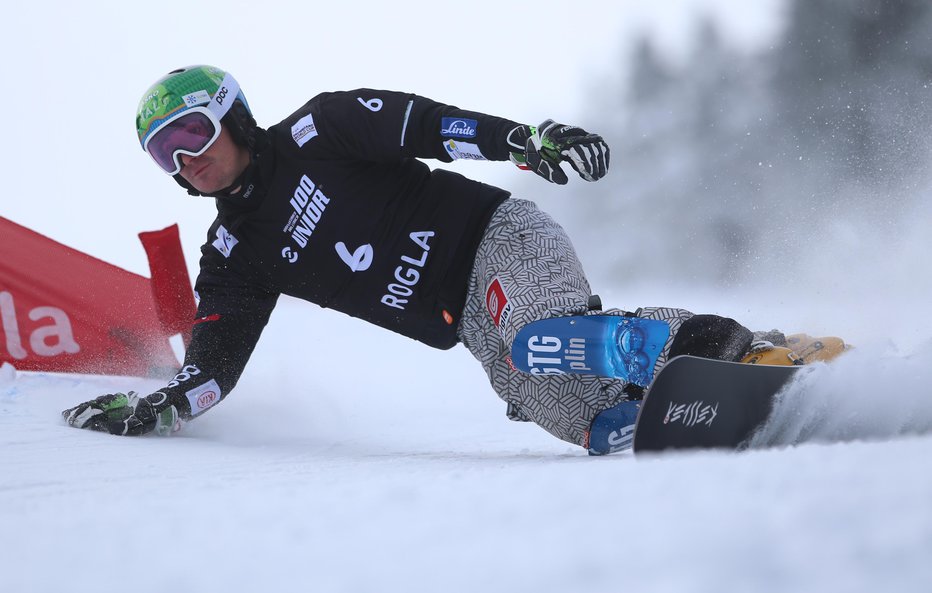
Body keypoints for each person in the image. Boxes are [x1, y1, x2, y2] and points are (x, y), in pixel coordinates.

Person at [62, 65, 845, 454]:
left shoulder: (321, 130)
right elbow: (215, 362)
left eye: (190, 133)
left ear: (231, 114)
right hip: (468, 327)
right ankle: (724, 416)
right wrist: (167, 405)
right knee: (588, 419)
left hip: (500, 239)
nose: (183, 160)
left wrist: (522, 142)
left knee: (544, 337)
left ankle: (754, 349)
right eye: (163, 153)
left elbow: (427, 125)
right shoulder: (234, 252)